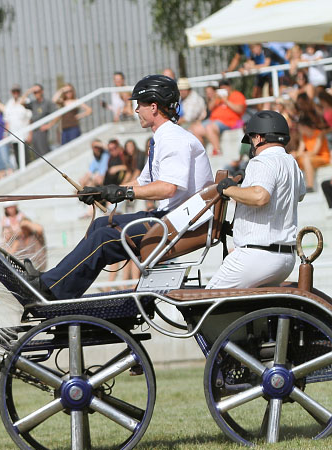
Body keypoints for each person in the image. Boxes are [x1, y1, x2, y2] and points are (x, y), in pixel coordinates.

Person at [24, 75, 214, 301]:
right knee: (100, 224)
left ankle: (48, 287)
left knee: (104, 238)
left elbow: (167, 189)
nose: (136, 110)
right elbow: (144, 181)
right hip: (173, 219)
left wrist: (124, 193)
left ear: (153, 107)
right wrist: (104, 191)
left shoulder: (174, 139)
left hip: (182, 224)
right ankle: (58, 288)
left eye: (139, 105)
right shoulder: (163, 137)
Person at [208, 111, 304, 288]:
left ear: (259, 138)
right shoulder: (292, 163)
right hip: (286, 259)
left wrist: (228, 189)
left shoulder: (262, 161)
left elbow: (261, 196)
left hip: (256, 255)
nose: (251, 144)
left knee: (205, 302)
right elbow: (300, 195)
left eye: (251, 139)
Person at [190, 79, 246, 156]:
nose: (224, 90)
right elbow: (209, 108)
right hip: (214, 120)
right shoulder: (218, 97)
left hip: (229, 122)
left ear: (230, 87)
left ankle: (217, 150)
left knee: (210, 127)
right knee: (194, 129)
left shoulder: (237, 95)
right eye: (221, 88)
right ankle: (201, 151)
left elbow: (239, 109)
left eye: (225, 88)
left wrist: (226, 101)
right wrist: (214, 98)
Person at [1, 205, 47, 270]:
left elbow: (40, 229)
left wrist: (24, 223)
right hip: (26, 267)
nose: (23, 230)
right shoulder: (19, 240)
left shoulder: (36, 236)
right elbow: (9, 254)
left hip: (38, 265)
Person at [292, 113, 329, 192]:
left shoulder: (319, 134)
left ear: (304, 127)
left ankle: (310, 186)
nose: (298, 130)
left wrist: (299, 154)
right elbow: (300, 151)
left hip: (322, 158)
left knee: (305, 159)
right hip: (310, 158)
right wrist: (295, 154)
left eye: (299, 127)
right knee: (295, 158)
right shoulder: (303, 136)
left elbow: (315, 152)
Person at [23, 84, 55, 159]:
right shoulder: (33, 103)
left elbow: (57, 114)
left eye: (37, 91)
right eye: (34, 92)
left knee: (44, 152)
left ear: (42, 91)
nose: (36, 94)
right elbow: (21, 103)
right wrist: (28, 92)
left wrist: (49, 125)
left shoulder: (47, 102)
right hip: (34, 131)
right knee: (36, 154)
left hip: (42, 131)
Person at [3, 85, 32, 165]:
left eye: (17, 91)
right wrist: (5, 134)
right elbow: (7, 121)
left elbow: (30, 119)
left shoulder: (26, 101)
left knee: (26, 158)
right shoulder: (9, 104)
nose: (15, 93)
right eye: (14, 91)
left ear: (20, 92)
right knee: (18, 159)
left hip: (24, 135)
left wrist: (30, 133)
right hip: (13, 136)